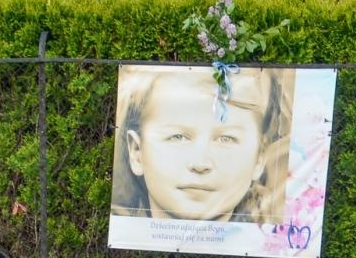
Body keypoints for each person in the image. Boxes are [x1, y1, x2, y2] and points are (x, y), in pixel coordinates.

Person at [110, 65, 293, 225]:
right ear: (136, 151)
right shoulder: (117, 241)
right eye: (178, 137)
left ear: (258, 159)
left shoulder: (278, 241)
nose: (200, 163)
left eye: (226, 139)